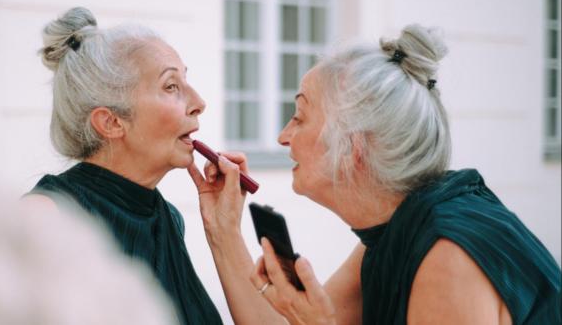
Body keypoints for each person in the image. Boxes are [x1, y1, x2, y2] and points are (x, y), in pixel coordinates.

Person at [189, 24, 562, 324]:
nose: (283, 137)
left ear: (353, 147)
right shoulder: (391, 234)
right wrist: (222, 229)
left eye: (299, 117)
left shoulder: (447, 258)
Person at [23, 7, 223, 324]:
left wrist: (224, 230)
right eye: (172, 86)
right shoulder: (44, 219)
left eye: (186, 81)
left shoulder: (167, 218)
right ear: (112, 122)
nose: (199, 102)